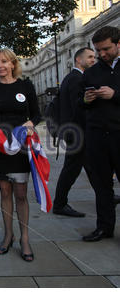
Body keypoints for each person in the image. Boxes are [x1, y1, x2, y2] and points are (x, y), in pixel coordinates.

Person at [0, 48, 41, 262]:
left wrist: (32, 123)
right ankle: (8, 235)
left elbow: (37, 114)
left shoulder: (26, 86)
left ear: (13, 64)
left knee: (21, 194)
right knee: (5, 192)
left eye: (4, 61)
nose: (0, 66)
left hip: (21, 145)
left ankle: (24, 238)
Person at [81, 26, 120, 242]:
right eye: (98, 51)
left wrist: (115, 95)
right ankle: (104, 227)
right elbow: (80, 102)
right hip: (98, 136)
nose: (102, 54)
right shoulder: (92, 72)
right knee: (102, 185)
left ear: (118, 44)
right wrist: (85, 100)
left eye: (106, 49)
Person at [52, 48, 96, 217]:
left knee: (90, 166)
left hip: (73, 131)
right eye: (90, 57)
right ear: (78, 60)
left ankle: (105, 194)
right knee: (72, 168)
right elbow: (78, 107)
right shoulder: (77, 79)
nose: (94, 59)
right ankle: (59, 204)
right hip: (78, 131)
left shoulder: (71, 78)